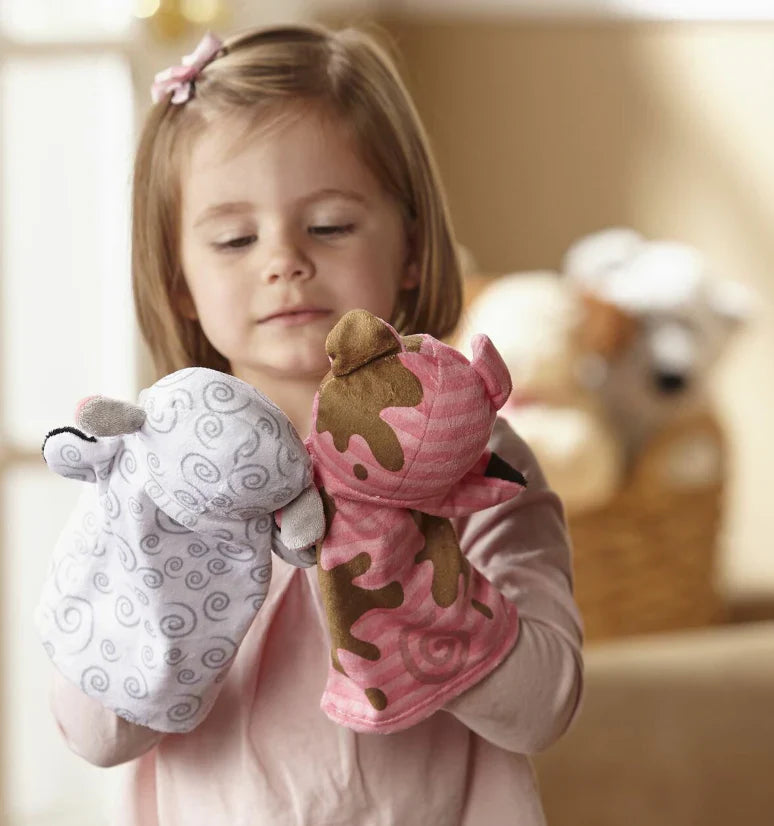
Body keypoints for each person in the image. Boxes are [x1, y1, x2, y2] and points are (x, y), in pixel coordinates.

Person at [48, 23, 583, 826]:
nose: (283, 260)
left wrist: (399, 563)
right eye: (234, 237)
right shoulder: (149, 471)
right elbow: (94, 733)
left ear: (409, 242)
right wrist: (177, 560)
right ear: (180, 279)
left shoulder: (478, 460)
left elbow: (543, 706)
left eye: (329, 224)